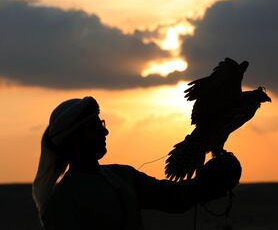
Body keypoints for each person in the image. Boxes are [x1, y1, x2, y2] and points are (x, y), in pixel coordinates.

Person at [32, 96, 241, 230]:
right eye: (95, 127)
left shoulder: (122, 175)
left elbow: (172, 198)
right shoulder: (61, 202)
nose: (105, 131)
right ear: (75, 139)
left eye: (102, 123)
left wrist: (206, 184)